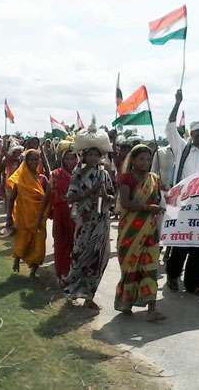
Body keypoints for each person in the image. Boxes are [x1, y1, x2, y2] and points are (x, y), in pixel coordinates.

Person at [165, 89, 199, 296]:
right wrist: (177, 103)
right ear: (191, 134)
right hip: (183, 207)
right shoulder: (182, 149)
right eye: (197, 133)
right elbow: (170, 128)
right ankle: (172, 276)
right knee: (180, 244)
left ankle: (193, 283)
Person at [63, 120, 115, 310]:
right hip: (84, 222)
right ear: (84, 155)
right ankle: (71, 291)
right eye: (89, 154)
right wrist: (89, 193)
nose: (93, 158)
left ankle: (89, 296)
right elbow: (70, 197)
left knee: (99, 258)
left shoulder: (104, 174)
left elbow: (112, 196)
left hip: (101, 220)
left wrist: (104, 195)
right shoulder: (78, 173)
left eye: (96, 154)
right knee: (80, 257)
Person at [115, 144, 166, 321]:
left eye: (148, 159)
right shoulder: (126, 178)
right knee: (131, 267)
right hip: (130, 231)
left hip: (150, 230)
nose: (145, 162)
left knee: (151, 268)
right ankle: (126, 303)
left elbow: (160, 198)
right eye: (141, 159)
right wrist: (147, 207)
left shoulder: (154, 178)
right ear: (133, 160)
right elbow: (126, 203)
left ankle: (152, 309)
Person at [37, 142, 77, 282]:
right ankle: (61, 275)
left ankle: (73, 275)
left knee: (76, 245)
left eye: (73, 158)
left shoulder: (82, 175)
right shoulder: (55, 174)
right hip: (60, 214)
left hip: (78, 216)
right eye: (67, 158)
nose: (70, 161)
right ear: (62, 159)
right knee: (60, 244)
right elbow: (47, 196)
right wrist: (40, 216)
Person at [6, 150, 48, 277]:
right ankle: (17, 259)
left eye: (36, 159)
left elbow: (48, 197)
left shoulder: (43, 179)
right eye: (31, 159)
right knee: (23, 240)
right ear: (26, 162)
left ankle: (33, 271)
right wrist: (9, 217)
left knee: (39, 243)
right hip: (23, 216)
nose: (34, 162)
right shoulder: (20, 179)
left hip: (39, 217)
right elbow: (12, 198)